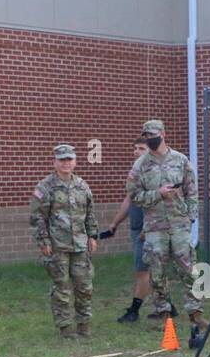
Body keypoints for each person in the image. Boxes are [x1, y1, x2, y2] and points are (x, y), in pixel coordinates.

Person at [125, 119, 209, 346]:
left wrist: (191, 216)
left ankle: (196, 313)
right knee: (157, 270)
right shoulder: (140, 165)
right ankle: (164, 312)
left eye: (153, 135)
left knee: (188, 268)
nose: (151, 139)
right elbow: (134, 195)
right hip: (154, 226)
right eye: (147, 136)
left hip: (179, 223)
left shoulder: (181, 161)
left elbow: (192, 190)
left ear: (163, 134)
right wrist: (157, 194)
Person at [30, 144, 99, 339]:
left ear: (75, 162)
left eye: (69, 159)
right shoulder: (45, 187)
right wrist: (43, 241)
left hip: (80, 244)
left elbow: (90, 214)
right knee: (61, 288)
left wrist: (93, 236)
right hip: (57, 245)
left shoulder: (82, 186)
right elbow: (38, 217)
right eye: (62, 160)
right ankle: (65, 328)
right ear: (55, 163)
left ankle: (84, 325)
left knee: (84, 286)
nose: (66, 163)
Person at [103, 138, 168, 323]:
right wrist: (114, 224)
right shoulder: (137, 172)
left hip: (148, 230)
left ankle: (134, 310)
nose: (135, 151)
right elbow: (129, 199)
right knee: (154, 269)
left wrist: (148, 229)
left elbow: (161, 203)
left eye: (140, 148)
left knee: (142, 271)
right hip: (137, 228)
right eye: (135, 148)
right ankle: (167, 306)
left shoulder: (155, 173)